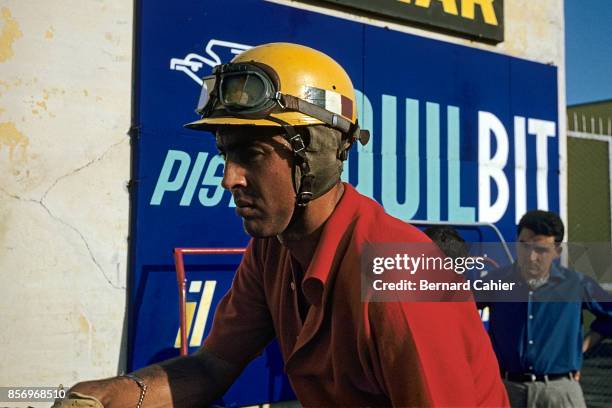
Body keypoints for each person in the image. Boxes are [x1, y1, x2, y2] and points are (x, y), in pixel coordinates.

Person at [56, 42, 508, 407]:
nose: (230, 178)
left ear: (312, 153)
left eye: (250, 154)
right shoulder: (274, 249)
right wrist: (115, 395)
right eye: (226, 154)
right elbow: (213, 367)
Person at [474, 210, 612, 408]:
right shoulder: (496, 282)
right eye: (524, 245)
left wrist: (580, 349)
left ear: (557, 251)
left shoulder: (575, 284)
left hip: (559, 393)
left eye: (541, 250)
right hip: (506, 391)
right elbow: (458, 313)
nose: (531, 257)